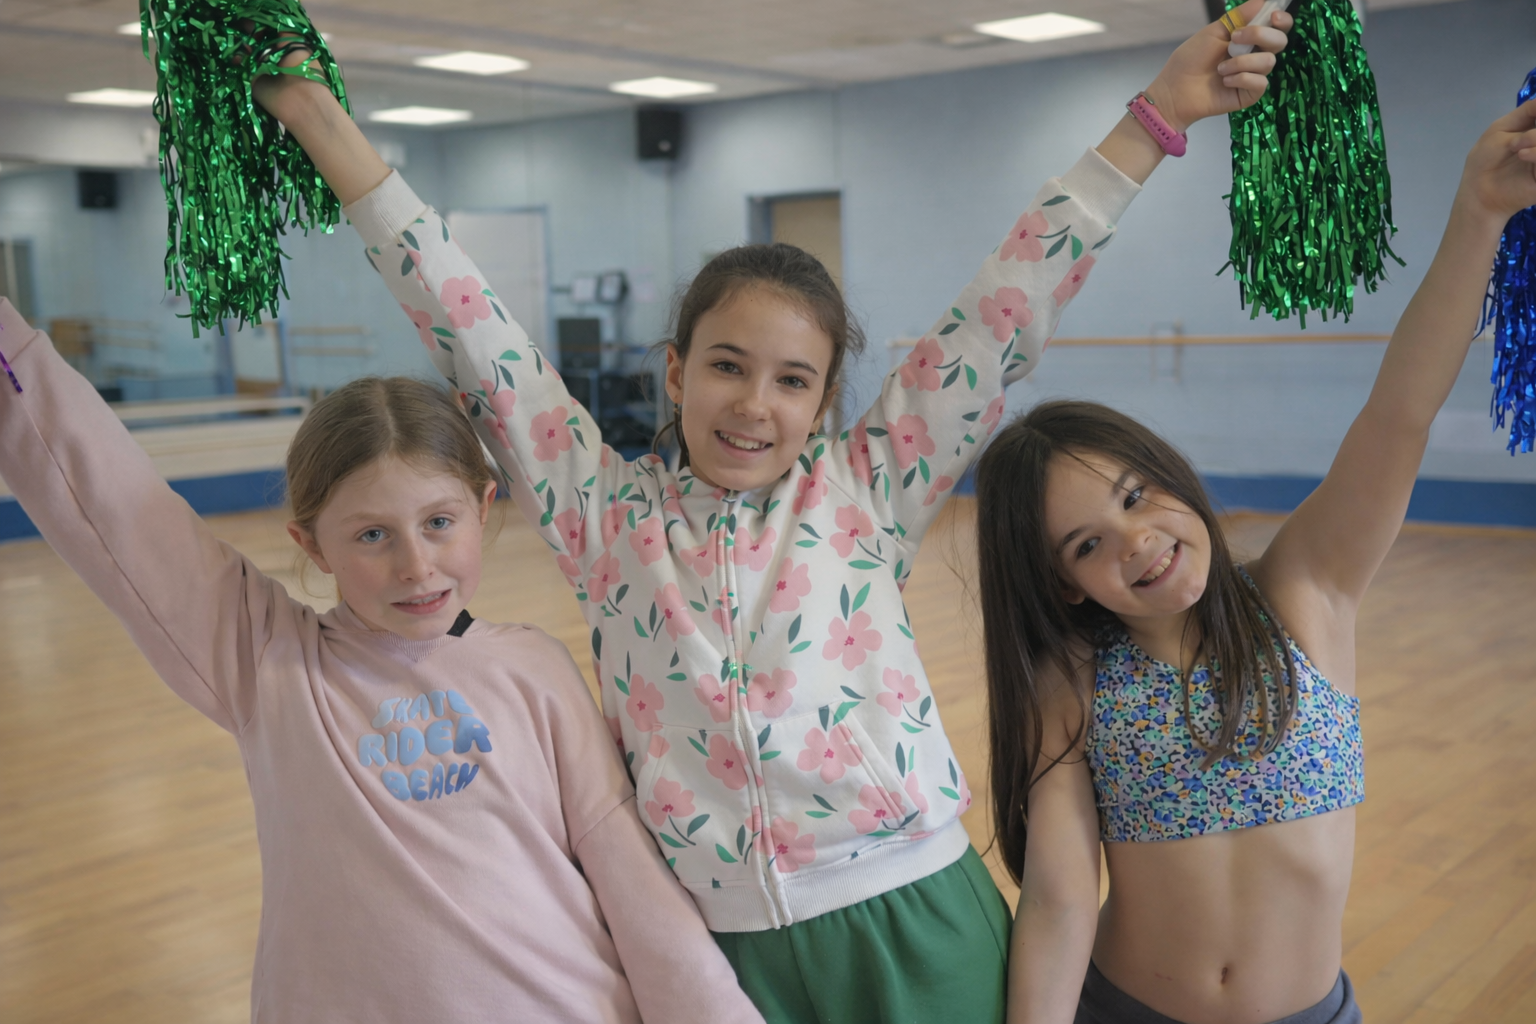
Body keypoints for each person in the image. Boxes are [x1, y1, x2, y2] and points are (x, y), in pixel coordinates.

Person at [251, 4, 1290, 1018]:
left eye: (793, 380)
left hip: (916, 916)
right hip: (718, 952)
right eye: (727, 367)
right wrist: (317, 120)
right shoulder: (602, 514)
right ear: (675, 371)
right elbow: (466, 322)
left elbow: (1008, 304)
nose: (755, 403)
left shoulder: (865, 490)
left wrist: (1158, 115)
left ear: (826, 400)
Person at [0, 307, 764, 1023]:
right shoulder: (267, 661)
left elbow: (632, 880)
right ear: (311, 545)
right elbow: (114, 505)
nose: (415, 565)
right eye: (371, 535)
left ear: (482, 506)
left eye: (438, 523)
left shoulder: (537, 667)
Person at [972, 101, 1536, 1024]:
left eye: (1134, 495)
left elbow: (1397, 415)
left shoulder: (1306, 592)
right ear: (1062, 584)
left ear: (1171, 477)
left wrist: (1479, 214)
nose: (1137, 540)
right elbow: (1063, 898)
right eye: (1087, 545)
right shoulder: (1071, 680)